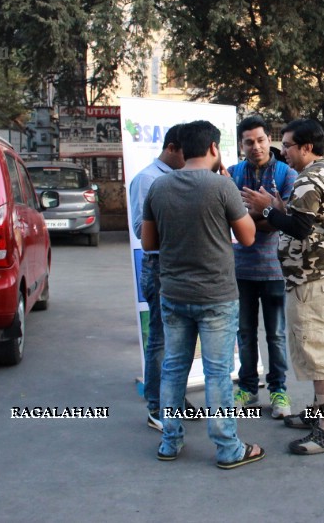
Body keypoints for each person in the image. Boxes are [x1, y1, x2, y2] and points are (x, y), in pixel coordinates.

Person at [141, 121, 265, 468]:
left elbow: (149, 243)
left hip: (174, 292)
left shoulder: (159, 187)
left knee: (173, 368)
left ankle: (169, 441)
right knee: (217, 372)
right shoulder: (222, 186)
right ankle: (227, 448)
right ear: (213, 148)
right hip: (216, 296)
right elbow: (249, 237)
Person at [242, 118, 324, 455]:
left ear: (306, 147)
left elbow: (301, 228)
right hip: (318, 277)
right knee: (315, 349)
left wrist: (267, 211)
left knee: (319, 355)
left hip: (315, 280)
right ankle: (319, 413)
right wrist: (277, 207)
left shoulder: (310, 178)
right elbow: (311, 220)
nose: (281, 150)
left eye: (286, 145)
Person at [228, 115, 297, 418]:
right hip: (240, 269)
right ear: (241, 145)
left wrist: (253, 217)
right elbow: (229, 220)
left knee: (276, 334)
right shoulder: (232, 175)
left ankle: (279, 390)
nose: (255, 147)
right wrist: (267, 213)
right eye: (248, 142)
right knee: (244, 332)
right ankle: (247, 387)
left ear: (268, 139)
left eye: (260, 140)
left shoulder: (286, 174)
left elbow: (288, 220)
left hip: (274, 268)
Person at [128, 123, 187, 431]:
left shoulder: (179, 178)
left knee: (181, 341)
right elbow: (142, 231)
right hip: (160, 267)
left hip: (181, 268)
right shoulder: (147, 180)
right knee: (161, 340)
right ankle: (156, 407)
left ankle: (175, 400)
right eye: (186, 154)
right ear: (172, 148)